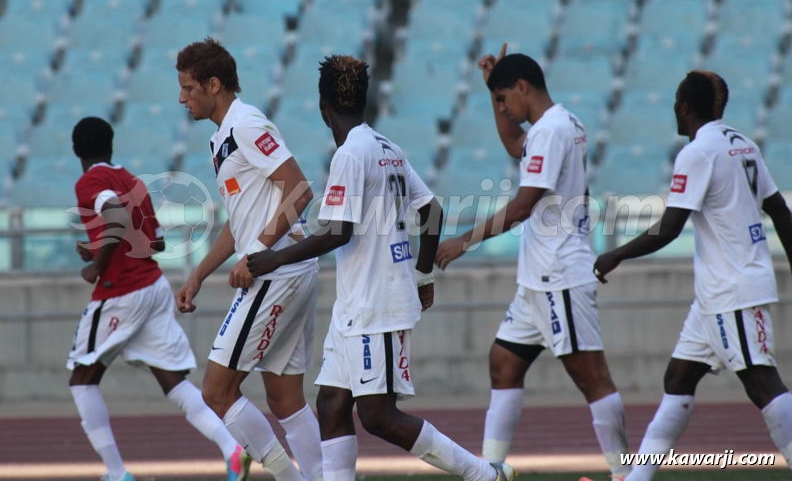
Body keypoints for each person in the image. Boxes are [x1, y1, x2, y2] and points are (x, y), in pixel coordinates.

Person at [246, 55, 516, 481]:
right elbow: (431, 210)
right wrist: (423, 276)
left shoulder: (351, 154)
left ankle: (484, 474)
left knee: (377, 416)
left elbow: (339, 231)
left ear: (323, 106)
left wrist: (275, 257)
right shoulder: (386, 146)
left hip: (377, 304)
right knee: (332, 405)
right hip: (357, 305)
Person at [436, 45, 632, 480]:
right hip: (537, 279)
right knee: (503, 362)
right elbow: (513, 145)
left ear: (523, 87)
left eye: (504, 98)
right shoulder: (561, 124)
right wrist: (491, 90)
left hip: (559, 274)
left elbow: (524, 205)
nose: (503, 108)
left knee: (592, 378)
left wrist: (463, 241)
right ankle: (491, 470)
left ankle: (624, 473)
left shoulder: (551, 130)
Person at [594, 70, 792, 480]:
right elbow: (779, 210)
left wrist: (617, 254)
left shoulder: (698, 152)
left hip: (733, 290)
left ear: (683, 108)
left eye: (675, 104)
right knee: (678, 376)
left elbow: (669, 228)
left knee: (762, 383)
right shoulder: (743, 144)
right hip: (714, 295)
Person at [68, 117, 248, 481]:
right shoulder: (133, 180)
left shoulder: (90, 182)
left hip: (121, 291)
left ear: (76, 150)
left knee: (82, 379)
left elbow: (116, 216)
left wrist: (97, 265)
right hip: (153, 287)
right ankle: (232, 449)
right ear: (111, 145)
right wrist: (98, 247)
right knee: (174, 381)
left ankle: (116, 473)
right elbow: (155, 242)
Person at [174, 38, 321, 481]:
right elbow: (239, 221)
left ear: (213, 85)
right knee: (285, 398)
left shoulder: (246, 125)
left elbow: (300, 190)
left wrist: (256, 252)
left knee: (216, 391)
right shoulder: (221, 138)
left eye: (188, 88)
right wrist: (199, 275)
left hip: (278, 272)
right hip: (286, 270)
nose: (182, 98)